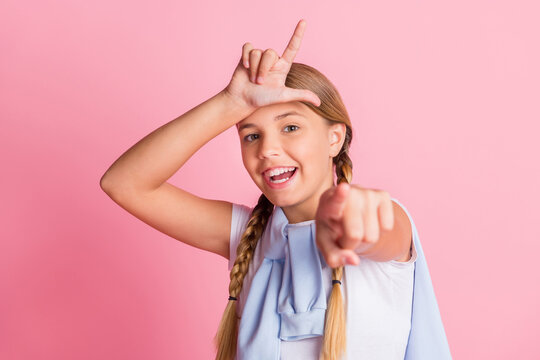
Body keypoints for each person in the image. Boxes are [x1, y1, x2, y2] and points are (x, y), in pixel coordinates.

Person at [100, 19, 451, 360]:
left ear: (335, 138)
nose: (266, 149)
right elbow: (124, 183)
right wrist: (230, 102)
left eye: (291, 127)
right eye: (251, 135)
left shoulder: (389, 223)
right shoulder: (246, 239)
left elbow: (377, 227)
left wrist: (348, 219)